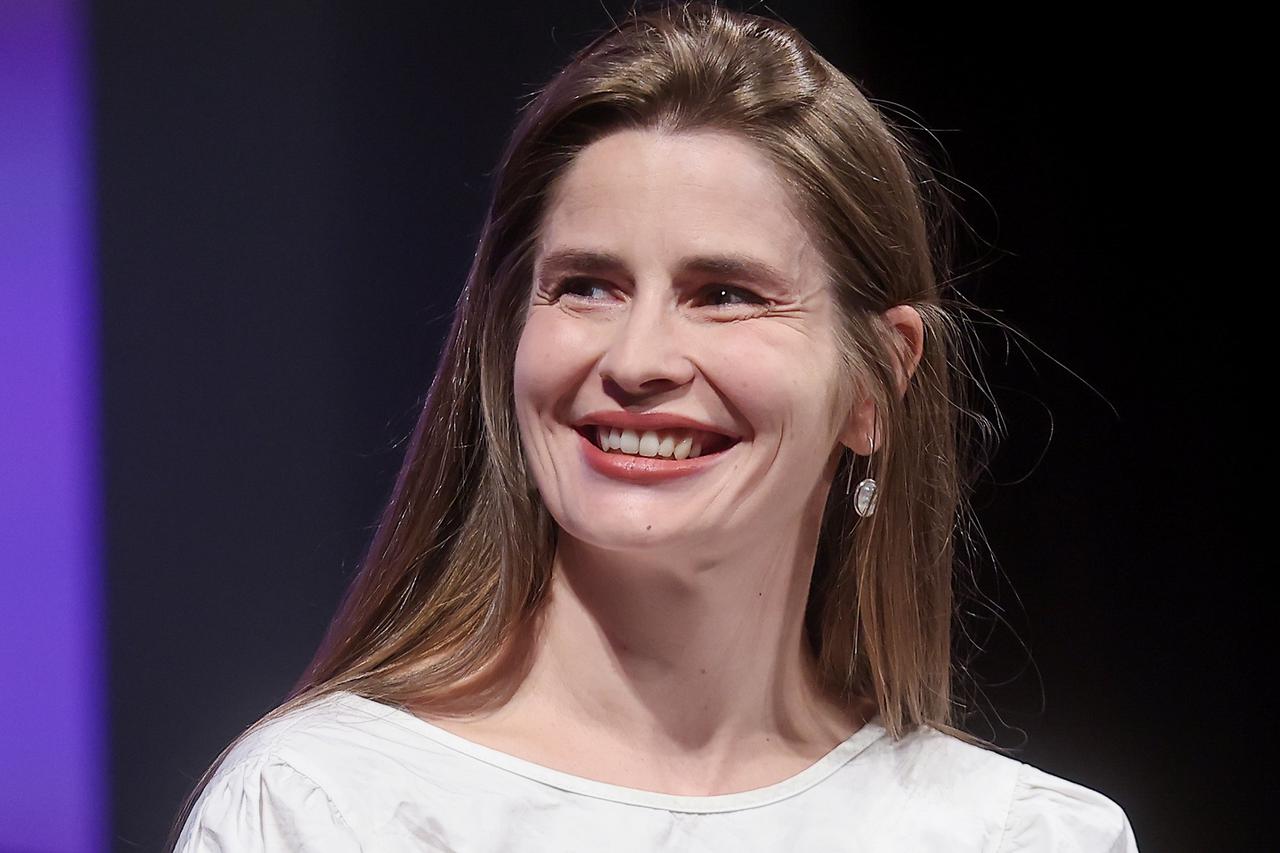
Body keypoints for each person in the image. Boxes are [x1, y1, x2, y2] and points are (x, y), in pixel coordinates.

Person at [172, 2, 1138, 850]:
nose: (637, 360)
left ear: (876, 382)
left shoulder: (1021, 835)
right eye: (586, 286)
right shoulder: (322, 808)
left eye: (724, 293)